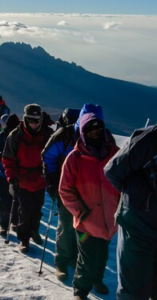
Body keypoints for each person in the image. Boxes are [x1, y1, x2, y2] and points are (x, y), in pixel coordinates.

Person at [42, 104, 107, 281]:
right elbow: (48, 157)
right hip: (68, 190)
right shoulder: (65, 135)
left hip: (93, 195)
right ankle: (62, 261)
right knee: (66, 224)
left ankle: (79, 262)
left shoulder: (104, 138)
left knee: (85, 229)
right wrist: (53, 184)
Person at [59, 112, 119, 300]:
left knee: (102, 255)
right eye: (90, 130)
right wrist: (80, 211)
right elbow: (65, 190)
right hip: (86, 221)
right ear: (83, 132)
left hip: (110, 218)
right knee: (86, 258)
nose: (95, 133)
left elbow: (125, 182)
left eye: (98, 129)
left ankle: (97, 279)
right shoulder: (74, 158)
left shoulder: (115, 153)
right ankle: (81, 290)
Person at [104, 125, 157, 300]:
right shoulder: (150, 138)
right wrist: (137, 198)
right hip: (138, 227)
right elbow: (113, 171)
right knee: (132, 292)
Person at [2, 104, 53, 253]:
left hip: (40, 178)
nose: (34, 124)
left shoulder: (48, 134)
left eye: (37, 120)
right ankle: (24, 239)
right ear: (25, 119)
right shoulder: (16, 136)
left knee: (37, 208)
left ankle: (34, 230)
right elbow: (8, 159)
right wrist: (11, 178)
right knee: (24, 209)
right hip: (22, 179)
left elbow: (54, 156)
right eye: (31, 120)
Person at [0, 114, 20, 235]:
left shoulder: (21, 137)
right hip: (3, 175)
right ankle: (4, 224)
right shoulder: (0, 137)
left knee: (16, 201)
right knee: (4, 200)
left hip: (17, 175)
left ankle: (14, 222)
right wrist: (1, 159)